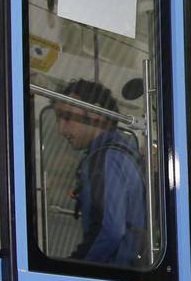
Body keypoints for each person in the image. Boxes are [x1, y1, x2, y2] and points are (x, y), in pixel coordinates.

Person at [51, 78, 147, 267]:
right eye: (58, 120)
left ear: (97, 114)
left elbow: (110, 230)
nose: (61, 129)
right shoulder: (124, 152)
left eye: (67, 117)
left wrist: (75, 267)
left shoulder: (104, 158)